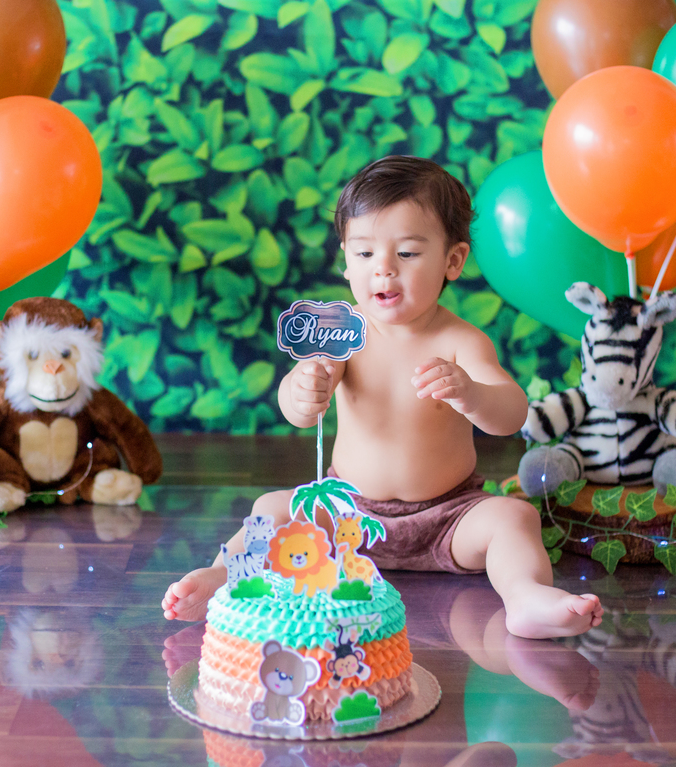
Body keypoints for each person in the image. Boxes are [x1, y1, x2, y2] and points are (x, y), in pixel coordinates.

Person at [162, 156, 603, 638]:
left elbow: (511, 411)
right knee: (274, 508)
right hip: (345, 516)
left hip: (447, 517)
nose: (384, 271)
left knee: (512, 517)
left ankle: (525, 597)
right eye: (365, 254)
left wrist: (472, 393)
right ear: (346, 261)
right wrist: (302, 393)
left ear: (452, 261)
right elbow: (296, 409)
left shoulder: (462, 342)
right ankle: (225, 576)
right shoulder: (341, 333)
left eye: (408, 254)